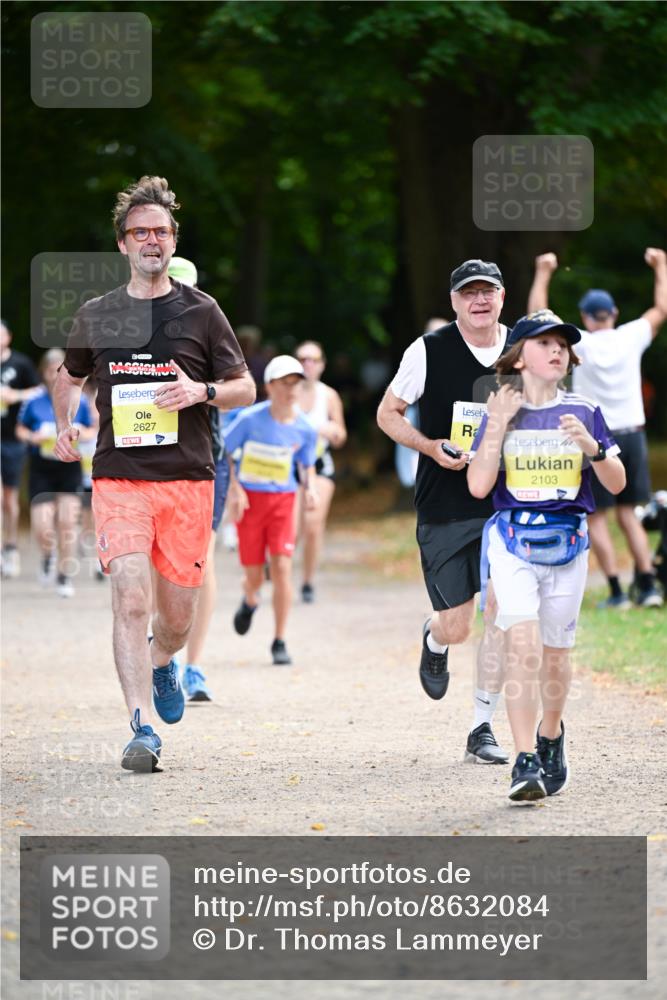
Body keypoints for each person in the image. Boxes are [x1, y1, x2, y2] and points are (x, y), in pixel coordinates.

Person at [53, 176, 255, 772]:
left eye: (161, 232)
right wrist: (67, 422)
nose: (151, 241)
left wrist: (202, 390)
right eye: (140, 232)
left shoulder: (202, 311)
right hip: (120, 478)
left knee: (175, 619)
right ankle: (141, 728)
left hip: (189, 481)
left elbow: (244, 388)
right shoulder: (97, 314)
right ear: (122, 244)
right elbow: (69, 376)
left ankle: (164, 661)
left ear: (172, 242)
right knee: (130, 597)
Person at [468, 310, 625, 801]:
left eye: (563, 344)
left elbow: (616, 484)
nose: (558, 351)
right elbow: (477, 486)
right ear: (518, 356)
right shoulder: (499, 410)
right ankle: (523, 761)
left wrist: (594, 450)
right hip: (512, 543)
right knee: (523, 645)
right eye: (545, 343)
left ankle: (551, 735)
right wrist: (494, 427)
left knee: (556, 657)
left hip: (569, 545)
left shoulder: (584, 408)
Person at [377, 260, 511, 765]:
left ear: (503, 297)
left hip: (507, 506)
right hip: (445, 506)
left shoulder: (523, 348)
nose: (479, 300)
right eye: (468, 292)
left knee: (499, 608)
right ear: (454, 301)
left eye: (488, 291)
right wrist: (430, 447)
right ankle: (434, 637)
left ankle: (482, 727)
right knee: (459, 624)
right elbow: (387, 414)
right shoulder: (428, 349)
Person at [527, 248, 667, 608]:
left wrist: (543, 273)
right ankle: (649, 585)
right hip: (633, 434)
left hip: (594, 437)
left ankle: (618, 591)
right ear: (614, 314)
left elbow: (537, 317)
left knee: (598, 517)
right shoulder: (630, 336)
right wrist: (661, 266)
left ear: (586, 319)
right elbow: (662, 308)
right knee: (629, 513)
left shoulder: (580, 343)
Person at [166, 256, 231, 703]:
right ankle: (164, 654)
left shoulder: (210, 332)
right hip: (147, 467)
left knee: (200, 561)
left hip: (206, 462)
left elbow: (241, 391)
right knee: (157, 566)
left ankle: (194, 666)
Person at [226, 355, 318, 665]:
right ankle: (250, 598)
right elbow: (223, 451)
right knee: (254, 575)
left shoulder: (305, 428)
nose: (291, 389)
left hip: (283, 502)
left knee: (281, 569)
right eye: (284, 383)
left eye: (296, 382)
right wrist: (236, 489)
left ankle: (279, 640)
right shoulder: (250, 419)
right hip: (251, 502)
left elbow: (306, 465)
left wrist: (311, 490)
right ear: (269, 386)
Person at [15, 348, 94, 597]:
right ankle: (48, 555)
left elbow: (93, 431)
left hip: (69, 467)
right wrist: (33, 437)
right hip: (41, 469)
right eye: (50, 371)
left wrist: (80, 432)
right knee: (42, 524)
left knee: (67, 522)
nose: (55, 375)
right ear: (44, 373)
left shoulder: (79, 400)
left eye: (59, 370)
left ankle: (64, 574)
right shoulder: (34, 400)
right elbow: (20, 430)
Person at [294, 340, 347, 603]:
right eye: (302, 359)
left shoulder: (329, 396)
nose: (307, 364)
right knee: (291, 528)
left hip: (320, 465)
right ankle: (275, 561)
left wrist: (331, 431)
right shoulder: (285, 392)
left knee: (313, 525)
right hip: (288, 467)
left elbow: (341, 435)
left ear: (322, 365)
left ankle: (307, 581)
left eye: (313, 359)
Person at [1, 320, 39, 578]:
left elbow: (39, 391)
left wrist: (14, 396)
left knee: (9, 499)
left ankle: (11, 547)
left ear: (8, 336)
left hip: (12, 438)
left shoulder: (21, 363)